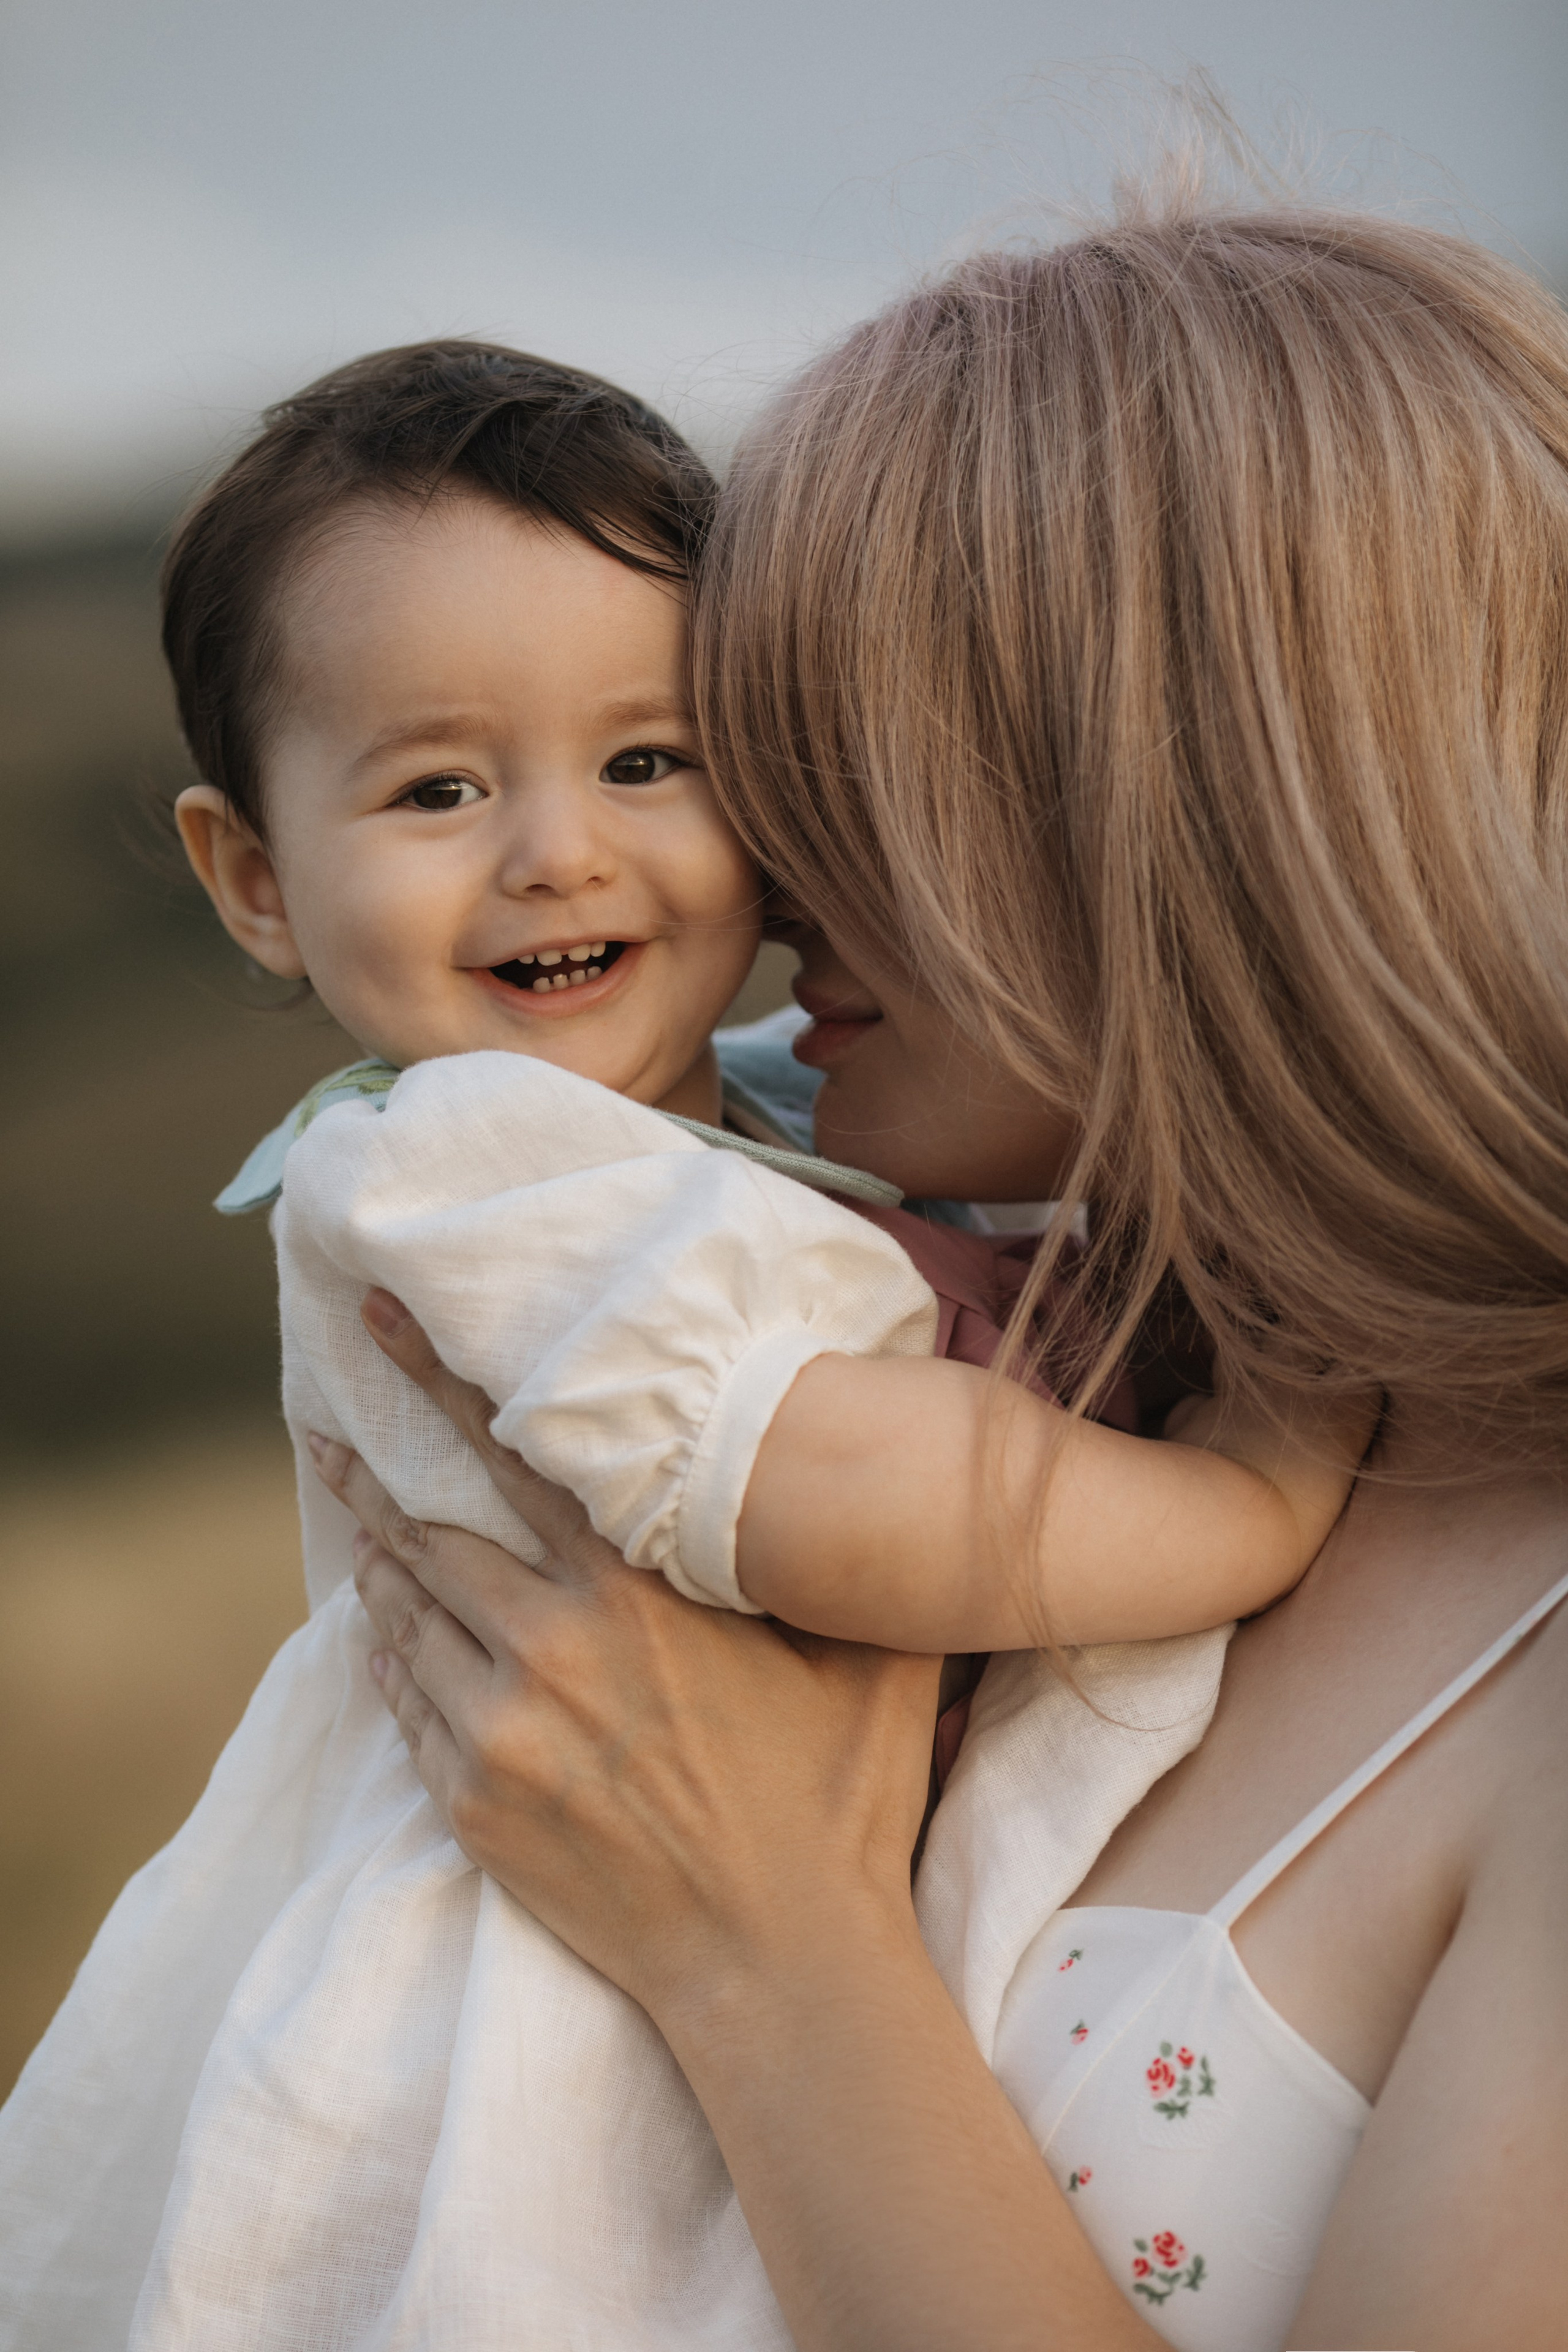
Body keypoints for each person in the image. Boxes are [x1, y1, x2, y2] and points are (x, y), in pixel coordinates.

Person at [0, 333, 1362, 2351]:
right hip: (539, 2021)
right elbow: (825, 1498)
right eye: (441, 787)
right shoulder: (467, 1169)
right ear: (257, 880)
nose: (557, 849)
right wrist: (1245, 1508)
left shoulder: (770, 1119)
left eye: (647, 762)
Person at [322, 201, 1568, 2352]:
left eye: (838, 763)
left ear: (1187, 797)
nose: (756, 874)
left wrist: (766, 1950)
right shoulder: (1065, 1373)